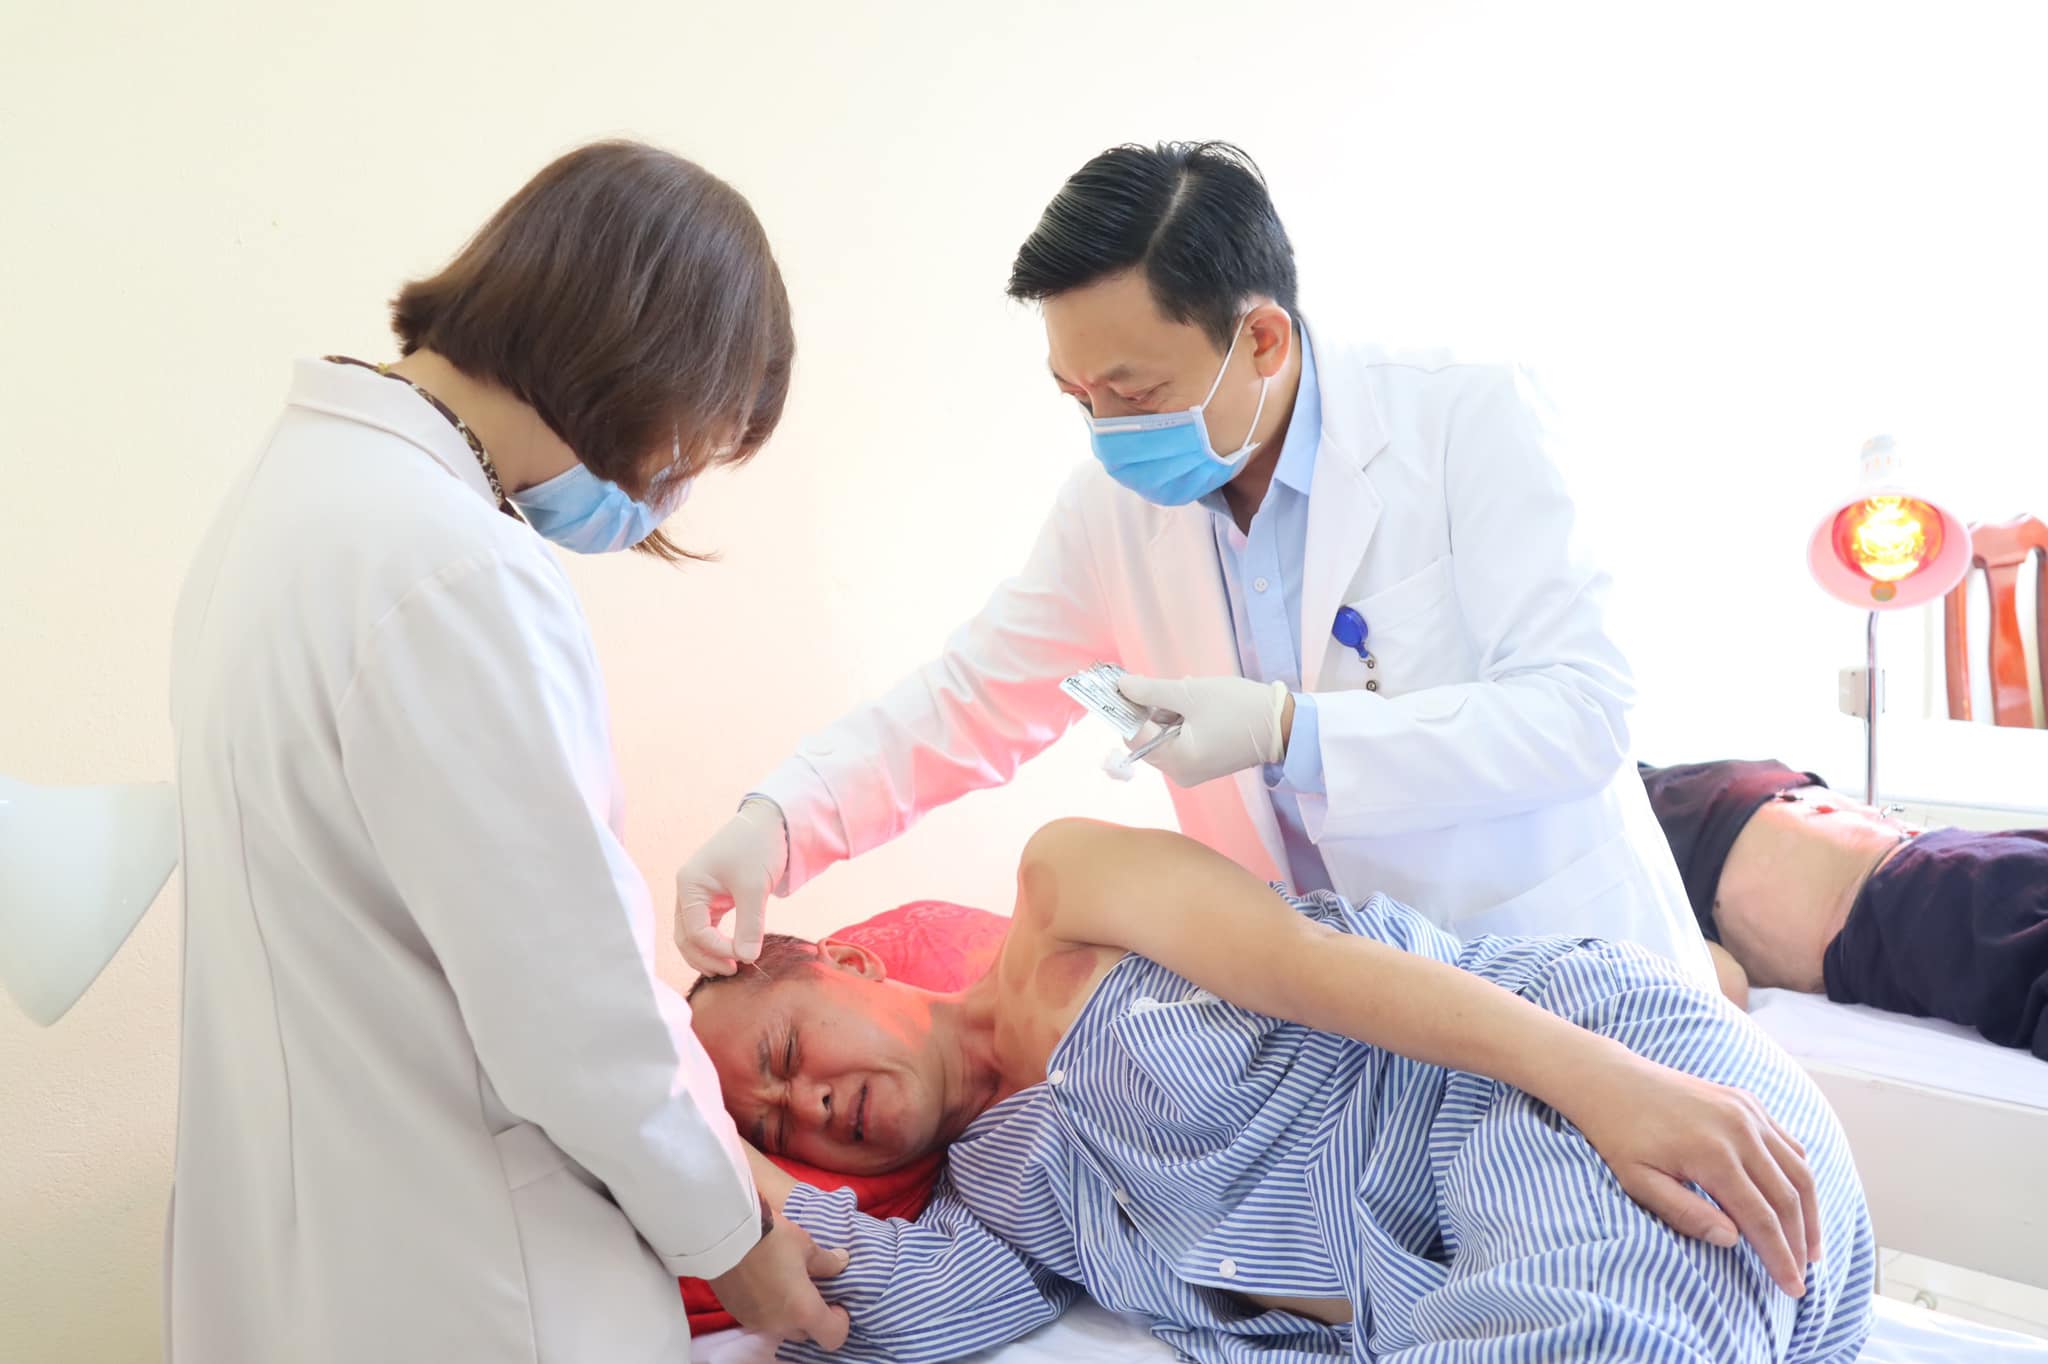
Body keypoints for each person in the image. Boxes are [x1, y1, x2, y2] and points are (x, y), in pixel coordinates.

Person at [677, 141, 1711, 987]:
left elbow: (1579, 715)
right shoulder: (1113, 515)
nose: (1106, 429)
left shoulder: (1464, 419)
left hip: (1552, 962)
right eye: (1076, 395)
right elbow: (970, 701)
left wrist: (1292, 733)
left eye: (1132, 393)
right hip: (1343, 1019)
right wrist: (777, 821)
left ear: (1261, 340)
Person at [167, 141, 849, 1362]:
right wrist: (732, 1237)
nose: (670, 488)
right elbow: (571, 1000)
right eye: (695, 448)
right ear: (649, 366)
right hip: (468, 1280)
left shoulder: (298, 495)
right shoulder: (453, 566)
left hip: (327, 1252)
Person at [687, 820, 1877, 1364]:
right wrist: (710, 1152)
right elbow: (882, 1313)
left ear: (848, 961)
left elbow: (1316, 965)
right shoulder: (993, 1192)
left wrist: (1605, 1081)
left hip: (1561, 1089)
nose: (806, 1103)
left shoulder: (1061, 896)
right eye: (772, 1123)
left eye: (785, 1051)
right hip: (1509, 1279)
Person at [1640, 759, 2048, 1059]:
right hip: (1910, 889)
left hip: (1940, 864)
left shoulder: (1631, 801)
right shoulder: (1626, 861)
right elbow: (1714, 994)